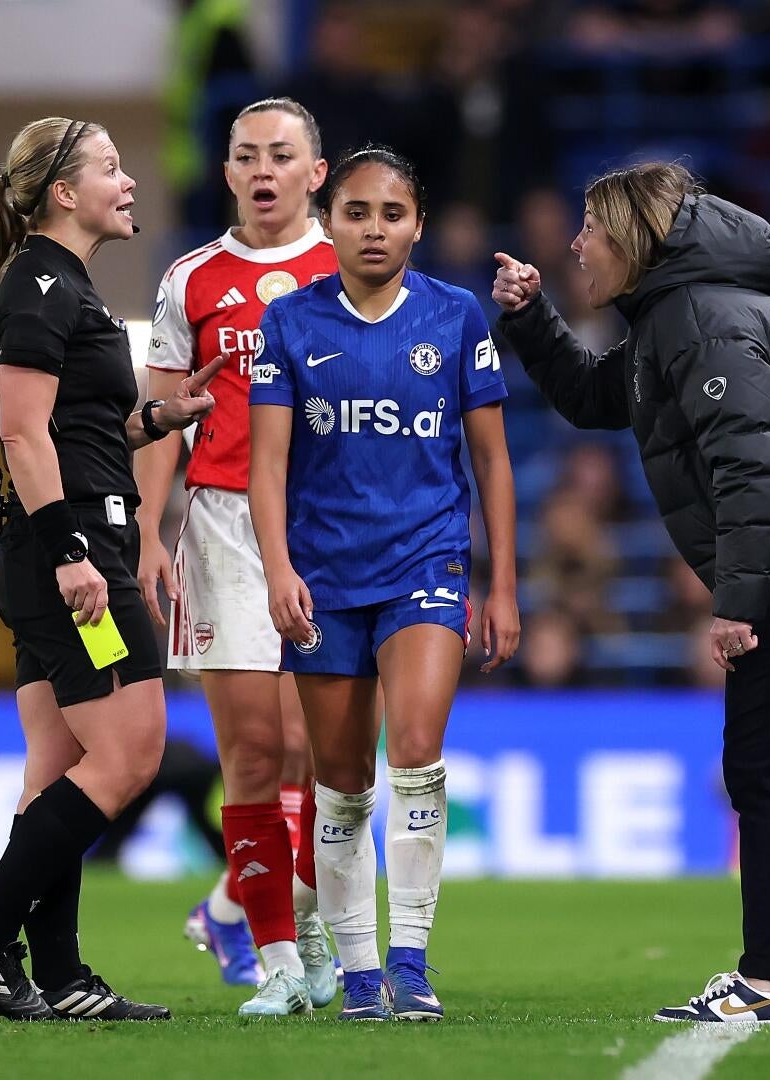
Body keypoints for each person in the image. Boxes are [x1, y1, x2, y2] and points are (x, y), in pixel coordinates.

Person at [493, 163, 770, 1025]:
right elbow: (601, 398)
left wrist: (738, 601)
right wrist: (531, 318)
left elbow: (752, 466)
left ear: (632, 240)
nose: (575, 243)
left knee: (764, 765)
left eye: (590, 227)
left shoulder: (701, 318)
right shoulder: (678, 311)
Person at [0, 116, 217, 1022]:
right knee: (133, 751)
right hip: (73, 556)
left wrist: (156, 422)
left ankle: (59, 978)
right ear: (64, 191)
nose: (128, 180)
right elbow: (20, 433)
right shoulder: (43, 284)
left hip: (61, 546)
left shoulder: (66, 287)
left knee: (58, 769)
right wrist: (72, 554)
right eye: (110, 167)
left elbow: (75, 433)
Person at [249, 145, 520, 1022]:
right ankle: (359, 972)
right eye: (357, 212)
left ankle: (410, 957)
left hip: (425, 564)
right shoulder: (289, 323)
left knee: (414, 749)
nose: (373, 229)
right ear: (328, 221)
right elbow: (267, 467)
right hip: (324, 574)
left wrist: (503, 584)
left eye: (391, 214)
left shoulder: (457, 317)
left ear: (419, 225)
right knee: (339, 783)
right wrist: (279, 568)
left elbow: (492, 462)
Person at [137, 97, 339, 1015]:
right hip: (221, 525)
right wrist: (145, 532)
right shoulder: (191, 280)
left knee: (321, 752)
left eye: (281, 155)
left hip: (331, 525)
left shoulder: (350, 265)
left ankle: (233, 907)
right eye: (247, 155)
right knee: (257, 753)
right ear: (227, 173)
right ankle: (277, 957)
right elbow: (157, 420)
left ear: (316, 172)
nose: (264, 170)